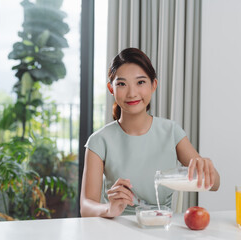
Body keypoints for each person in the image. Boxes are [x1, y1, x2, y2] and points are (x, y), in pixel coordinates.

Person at [80, 48, 220, 218]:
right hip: (117, 227)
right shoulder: (99, 141)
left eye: (140, 82)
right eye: (122, 84)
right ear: (111, 88)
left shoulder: (171, 132)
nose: (132, 93)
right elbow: (86, 206)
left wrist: (206, 168)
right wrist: (109, 208)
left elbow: (215, 185)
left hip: (163, 227)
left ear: (154, 85)